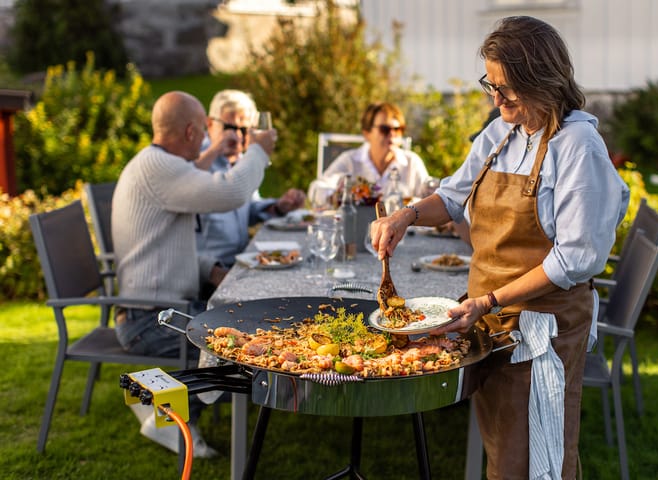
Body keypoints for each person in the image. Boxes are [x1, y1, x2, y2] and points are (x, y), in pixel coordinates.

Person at [371, 16, 629, 479]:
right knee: (503, 452)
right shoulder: (502, 133)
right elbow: (452, 197)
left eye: (506, 88)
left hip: (541, 331)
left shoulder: (578, 147)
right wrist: (404, 216)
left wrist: (490, 299)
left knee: (536, 461)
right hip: (489, 325)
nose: (496, 97)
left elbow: (573, 260)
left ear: (541, 81)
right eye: (490, 84)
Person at [112, 90, 275, 457]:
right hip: (148, 320)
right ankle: (164, 415)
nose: (207, 138)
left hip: (160, 308)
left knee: (244, 326)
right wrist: (259, 149)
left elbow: (165, 236)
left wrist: (212, 269)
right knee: (238, 351)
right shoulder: (159, 167)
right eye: (204, 131)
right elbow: (231, 191)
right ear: (190, 132)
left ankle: (163, 404)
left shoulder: (156, 164)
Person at [195, 89, 305, 269]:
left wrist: (278, 206)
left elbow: (248, 209)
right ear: (210, 125)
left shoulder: (241, 162)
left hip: (242, 262)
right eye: (229, 129)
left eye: (244, 130)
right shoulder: (198, 161)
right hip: (209, 271)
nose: (237, 137)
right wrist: (215, 148)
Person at [308, 102, 430, 203]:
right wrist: (334, 197)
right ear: (367, 133)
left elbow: (430, 198)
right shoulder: (350, 161)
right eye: (385, 129)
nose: (392, 134)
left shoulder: (411, 162)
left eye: (398, 130)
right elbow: (316, 189)